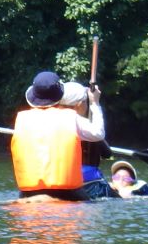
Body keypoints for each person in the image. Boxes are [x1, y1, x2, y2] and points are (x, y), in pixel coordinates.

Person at [10, 70, 109, 201]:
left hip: (27, 193)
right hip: (67, 193)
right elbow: (98, 134)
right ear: (59, 95)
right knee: (95, 209)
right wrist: (95, 102)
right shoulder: (70, 117)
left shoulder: (21, 119)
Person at [59, 83, 111, 192]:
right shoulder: (81, 124)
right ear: (79, 104)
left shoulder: (52, 119)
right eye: (86, 102)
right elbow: (107, 153)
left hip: (58, 176)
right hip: (85, 180)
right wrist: (95, 103)